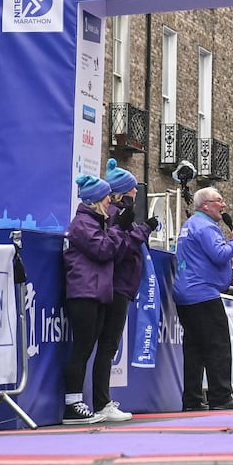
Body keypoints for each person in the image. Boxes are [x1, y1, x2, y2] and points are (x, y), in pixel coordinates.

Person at [91, 159, 157, 422]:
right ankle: (101, 402)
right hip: (117, 284)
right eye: (132, 189)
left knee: (108, 345)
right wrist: (144, 230)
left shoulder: (118, 212)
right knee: (107, 345)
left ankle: (102, 401)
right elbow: (123, 246)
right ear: (123, 191)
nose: (136, 192)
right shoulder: (118, 214)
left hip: (121, 284)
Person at [172, 187, 233, 411]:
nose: (223, 205)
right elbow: (219, 254)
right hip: (203, 293)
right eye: (219, 201)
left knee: (194, 348)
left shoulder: (190, 225)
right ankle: (221, 396)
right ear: (205, 205)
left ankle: (192, 399)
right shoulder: (206, 227)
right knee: (218, 345)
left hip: (186, 292)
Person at [62, 174, 122, 424]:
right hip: (83, 293)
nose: (111, 200)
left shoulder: (96, 223)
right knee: (82, 349)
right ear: (97, 199)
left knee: (87, 348)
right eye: (107, 196)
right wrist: (120, 231)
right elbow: (103, 250)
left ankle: (77, 401)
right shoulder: (83, 224)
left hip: (95, 293)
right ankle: (72, 404)